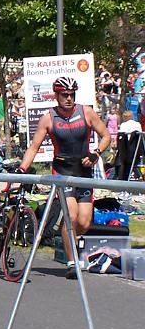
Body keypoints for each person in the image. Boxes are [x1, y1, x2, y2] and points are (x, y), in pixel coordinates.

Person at [18, 76, 111, 280]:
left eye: (71, 94)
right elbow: (34, 147)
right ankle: (71, 263)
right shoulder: (48, 118)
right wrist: (22, 169)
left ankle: (65, 238)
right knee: (72, 216)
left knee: (84, 222)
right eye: (64, 95)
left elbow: (106, 136)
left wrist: (96, 153)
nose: (69, 98)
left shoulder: (86, 112)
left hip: (83, 171)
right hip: (62, 172)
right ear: (57, 96)